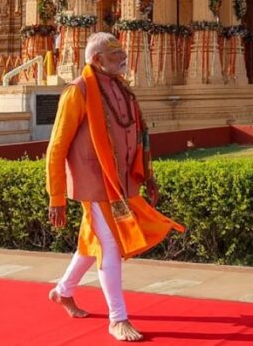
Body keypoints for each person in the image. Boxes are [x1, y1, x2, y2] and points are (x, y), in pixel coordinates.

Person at [46, 32, 183, 342]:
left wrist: (146, 175)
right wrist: (57, 196)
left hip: (122, 183)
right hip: (96, 184)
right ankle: (117, 317)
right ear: (96, 60)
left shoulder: (121, 89)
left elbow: (136, 136)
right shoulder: (78, 92)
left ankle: (62, 291)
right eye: (114, 55)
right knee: (110, 245)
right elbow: (56, 147)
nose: (123, 58)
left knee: (92, 243)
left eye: (122, 52)